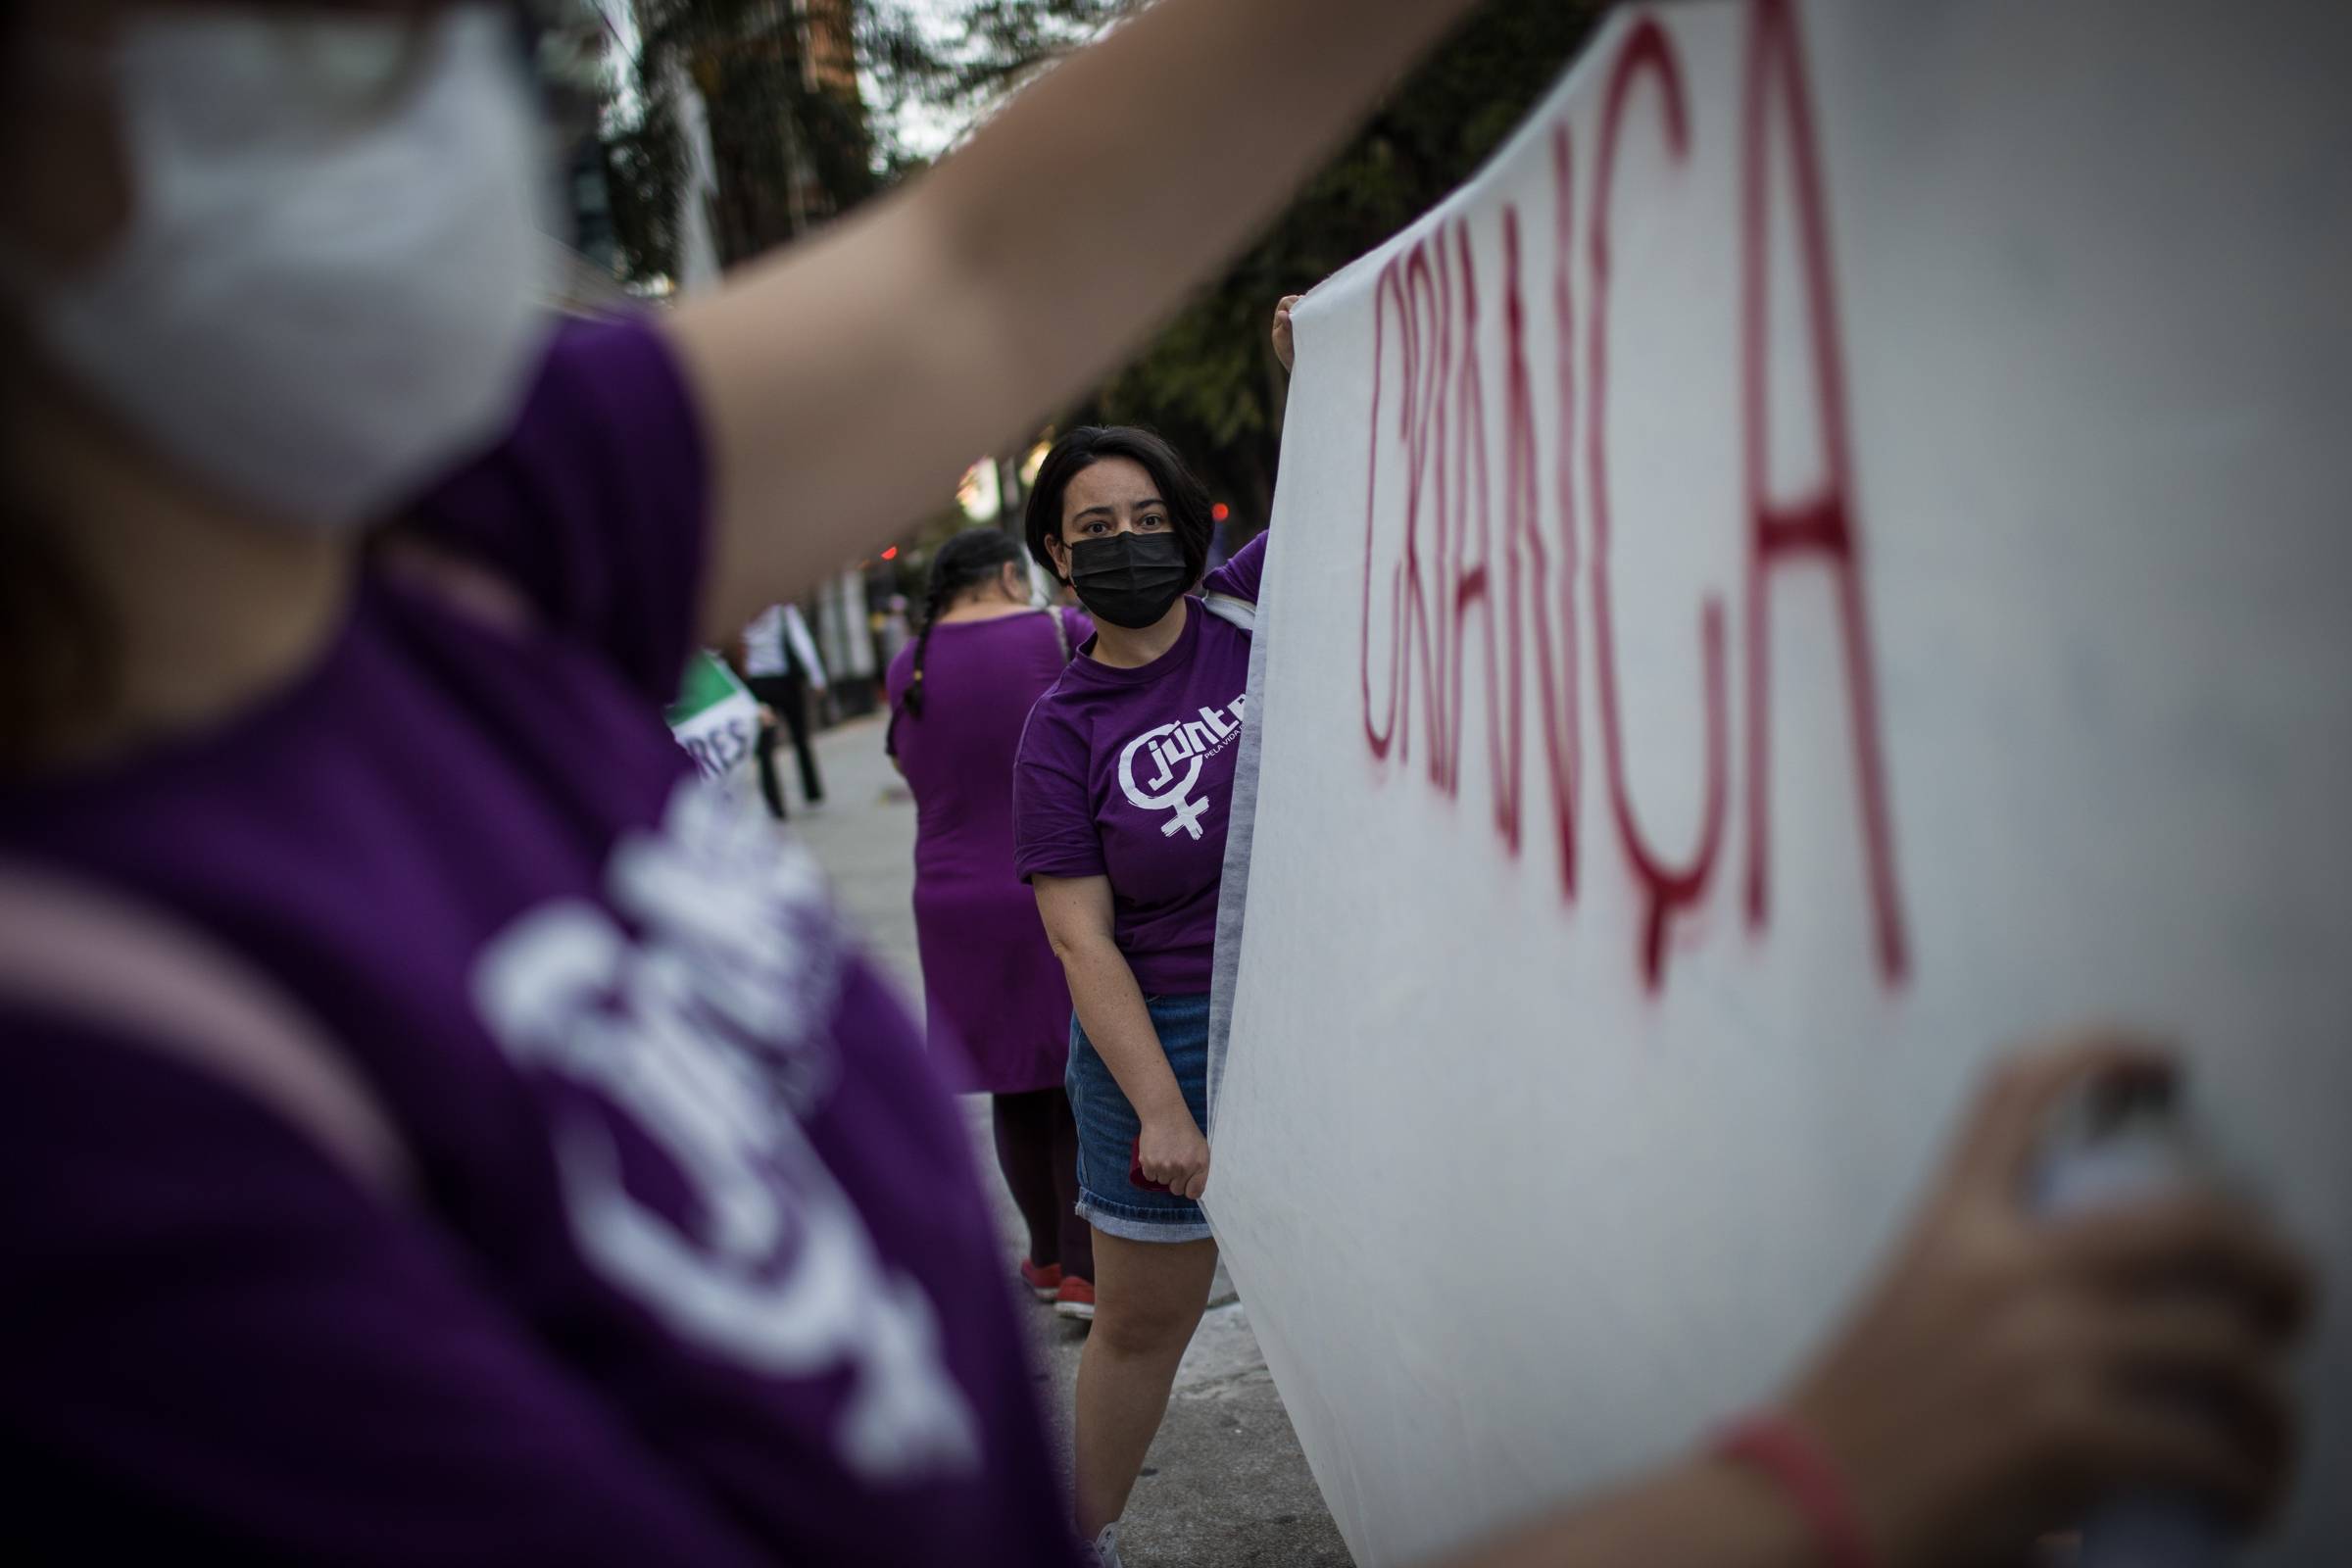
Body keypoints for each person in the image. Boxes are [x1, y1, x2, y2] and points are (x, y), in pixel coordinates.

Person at [0, 3, 2311, 1566]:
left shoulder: (430, 543)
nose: (476, 99)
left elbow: (972, 267)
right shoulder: (102, 1122)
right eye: (329, 41)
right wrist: (1809, 1482)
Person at [1012, 424, 1264, 1559]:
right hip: (1160, 1038)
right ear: (1060, 560)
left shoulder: (1246, 607)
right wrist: (1164, 1107)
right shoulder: (1060, 730)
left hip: (1316, 1000)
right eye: (1096, 531)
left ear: (1190, 523)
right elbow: (1080, 939)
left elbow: (1368, 480)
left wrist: (1313, 368)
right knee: (1144, 1323)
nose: (1128, 546)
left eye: (1148, 520)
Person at [885, 528, 1098, 1320]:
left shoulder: (911, 662)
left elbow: (915, 768)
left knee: (1017, 1084)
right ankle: (1085, 1270)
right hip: (1051, 880)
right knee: (1084, 1076)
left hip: (950, 901)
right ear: (1013, 574)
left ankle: (1045, 1260)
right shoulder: (1060, 632)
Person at [741, 601, 826, 818]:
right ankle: (812, 792)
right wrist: (817, 677)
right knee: (800, 737)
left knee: (765, 748)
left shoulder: (742, 611)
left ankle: (774, 804)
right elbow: (801, 641)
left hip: (757, 681)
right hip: (784, 680)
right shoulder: (782, 608)